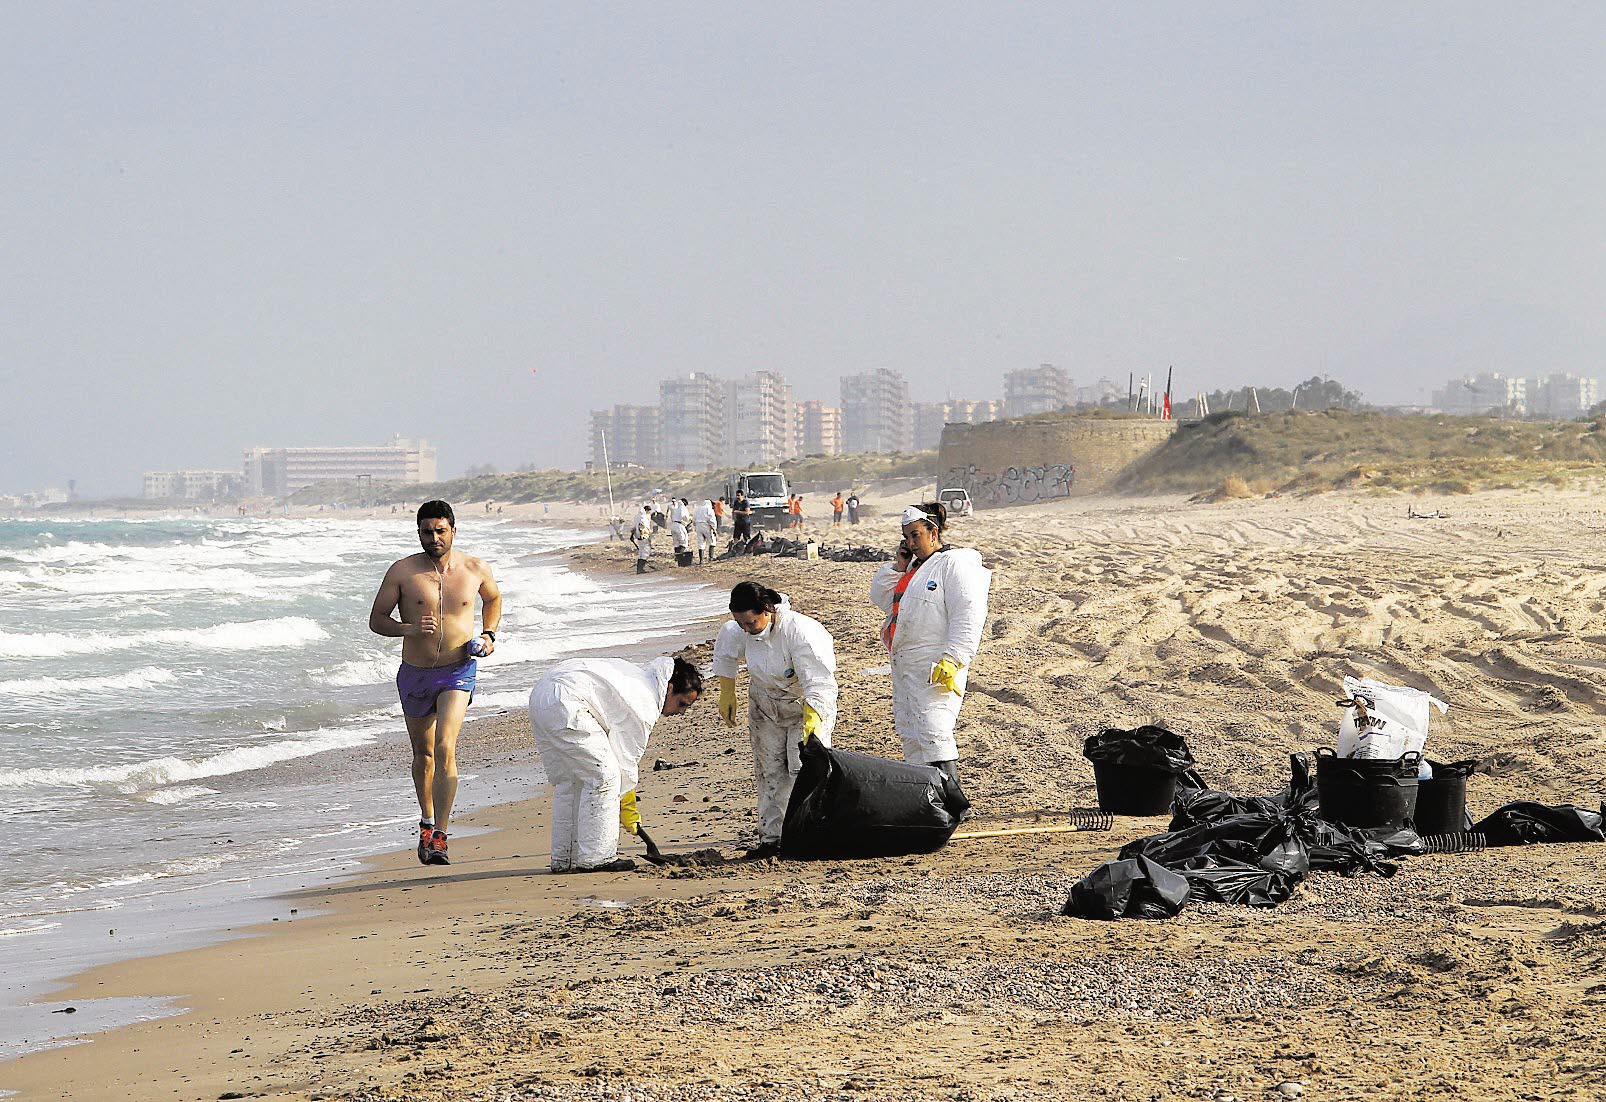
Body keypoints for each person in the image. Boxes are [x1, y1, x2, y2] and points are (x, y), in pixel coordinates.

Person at [369, 500, 502, 866]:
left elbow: (492, 598)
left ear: (453, 530)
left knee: (445, 746)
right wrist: (408, 628)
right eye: (427, 532)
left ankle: (441, 835)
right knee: (423, 755)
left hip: (457, 670)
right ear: (419, 533)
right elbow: (377, 619)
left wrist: (489, 634)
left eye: (440, 531)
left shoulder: (475, 568)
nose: (434, 538)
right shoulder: (402, 572)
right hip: (414, 672)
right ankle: (426, 821)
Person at [528, 656, 703, 873]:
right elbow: (624, 766)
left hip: (542, 696)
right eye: (682, 704)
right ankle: (596, 858)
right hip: (567, 702)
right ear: (669, 689)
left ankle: (564, 860)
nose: (681, 712)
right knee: (604, 777)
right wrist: (629, 811)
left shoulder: (636, 678)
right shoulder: (644, 705)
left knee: (571, 781)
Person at [869, 503, 991, 793]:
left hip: (937, 661)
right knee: (911, 733)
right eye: (906, 538)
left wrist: (954, 657)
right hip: (905, 663)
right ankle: (926, 798)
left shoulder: (955, 563)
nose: (911, 544)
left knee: (934, 730)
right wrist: (899, 565)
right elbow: (881, 598)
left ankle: (951, 798)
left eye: (916, 536)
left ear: (933, 532)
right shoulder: (913, 568)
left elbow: (969, 613)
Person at [712, 582, 838, 859]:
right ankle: (771, 838)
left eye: (751, 622)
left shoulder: (800, 631)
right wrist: (727, 691)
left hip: (804, 705)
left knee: (801, 770)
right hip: (765, 705)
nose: (746, 628)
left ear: (767, 611)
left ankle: (807, 834)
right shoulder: (737, 629)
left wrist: (814, 718)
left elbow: (819, 681)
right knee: (769, 771)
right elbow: (724, 654)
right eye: (740, 622)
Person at [693, 498, 717, 564]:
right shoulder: (709, 509)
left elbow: (694, 518)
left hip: (698, 526)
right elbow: (712, 519)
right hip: (706, 525)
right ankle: (710, 558)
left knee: (701, 543)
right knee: (712, 541)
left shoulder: (698, 508)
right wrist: (714, 528)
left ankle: (701, 560)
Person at [632, 505, 654, 573]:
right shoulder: (643, 517)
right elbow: (641, 526)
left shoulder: (637, 516)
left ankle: (639, 568)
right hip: (643, 536)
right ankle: (640, 569)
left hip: (638, 536)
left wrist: (632, 535)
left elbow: (633, 527)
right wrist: (643, 534)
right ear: (647, 511)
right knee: (646, 551)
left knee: (641, 552)